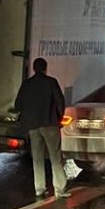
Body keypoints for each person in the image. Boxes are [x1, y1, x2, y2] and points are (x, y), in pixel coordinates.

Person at [14, 57, 70, 199]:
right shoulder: (51, 82)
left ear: (34, 68)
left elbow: (18, 105)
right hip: (50, 123)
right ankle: (59, 189)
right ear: (45, 68)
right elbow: (60, 102)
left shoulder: (27, 84)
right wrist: (58, 117)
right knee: (55, 157)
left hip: (33, 126)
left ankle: (39, 188)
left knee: (37, 158)